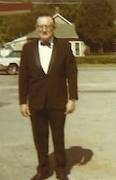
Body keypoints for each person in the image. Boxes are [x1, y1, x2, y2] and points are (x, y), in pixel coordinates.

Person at [19, 13, 78, 180]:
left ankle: (61, 169)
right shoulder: (28, 49)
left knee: (58, 137)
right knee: (39, 137)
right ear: (37, 28)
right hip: (36, 101)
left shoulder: (64, 47)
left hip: (58, 101)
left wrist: (72, 98)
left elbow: (72, 74)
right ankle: (43, 169)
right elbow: (23, 76)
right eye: (41, 26)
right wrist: (23, 102)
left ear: (54, 28)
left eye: (47, 26)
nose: (44, 29)